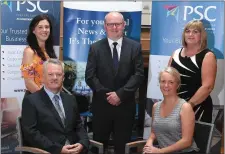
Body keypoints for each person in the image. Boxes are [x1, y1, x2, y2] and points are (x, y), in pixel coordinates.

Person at [85, 11, 144, 154]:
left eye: (117, 24)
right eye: (111, 24)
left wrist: (120, 95)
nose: (114, 27)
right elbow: (90, 76)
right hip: (102, 107)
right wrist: (108, 95)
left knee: (122, 147)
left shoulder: (135, 47)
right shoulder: (95, 48)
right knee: (99, 145)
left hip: (125, 106)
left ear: (124, 25)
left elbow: (138, 75)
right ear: (105, 26)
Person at [21, 59, 89, 154]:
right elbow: (31, 133)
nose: (55, 77)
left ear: (63, 78)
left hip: (75, 150)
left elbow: (78, 125)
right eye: (50, 74)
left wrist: (83, 143)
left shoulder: (70, 99)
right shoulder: (31, 101)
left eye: (58, 74)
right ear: (43, 77)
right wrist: (58, 149)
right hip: (48, 151)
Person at [168, 20, 217, 123]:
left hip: (197, 107)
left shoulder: (208, 56)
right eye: (187, 31)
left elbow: (207, 87)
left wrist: (188, 106)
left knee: (195, 139)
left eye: (195, 31)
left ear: (202, 35)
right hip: (174, 107)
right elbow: (167, 80)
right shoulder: (175, 53)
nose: (190, 34)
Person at [143, 67, 199, 154]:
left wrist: (160, 151)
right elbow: (153, 133)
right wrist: (148, 145)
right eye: (163, 81)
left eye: (171, 82)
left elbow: (187, 141)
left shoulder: (185, 107)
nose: (166, 85)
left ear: (178, 85)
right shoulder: (155, 106)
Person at [20, 14, 57, 95]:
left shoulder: (49, 52)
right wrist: (45, 99)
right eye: (40, 27)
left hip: (50, 98)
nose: (44, 30)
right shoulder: (29, 52)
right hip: (36, 99)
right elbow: (29, 83)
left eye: (47, 27)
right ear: (33, 30)